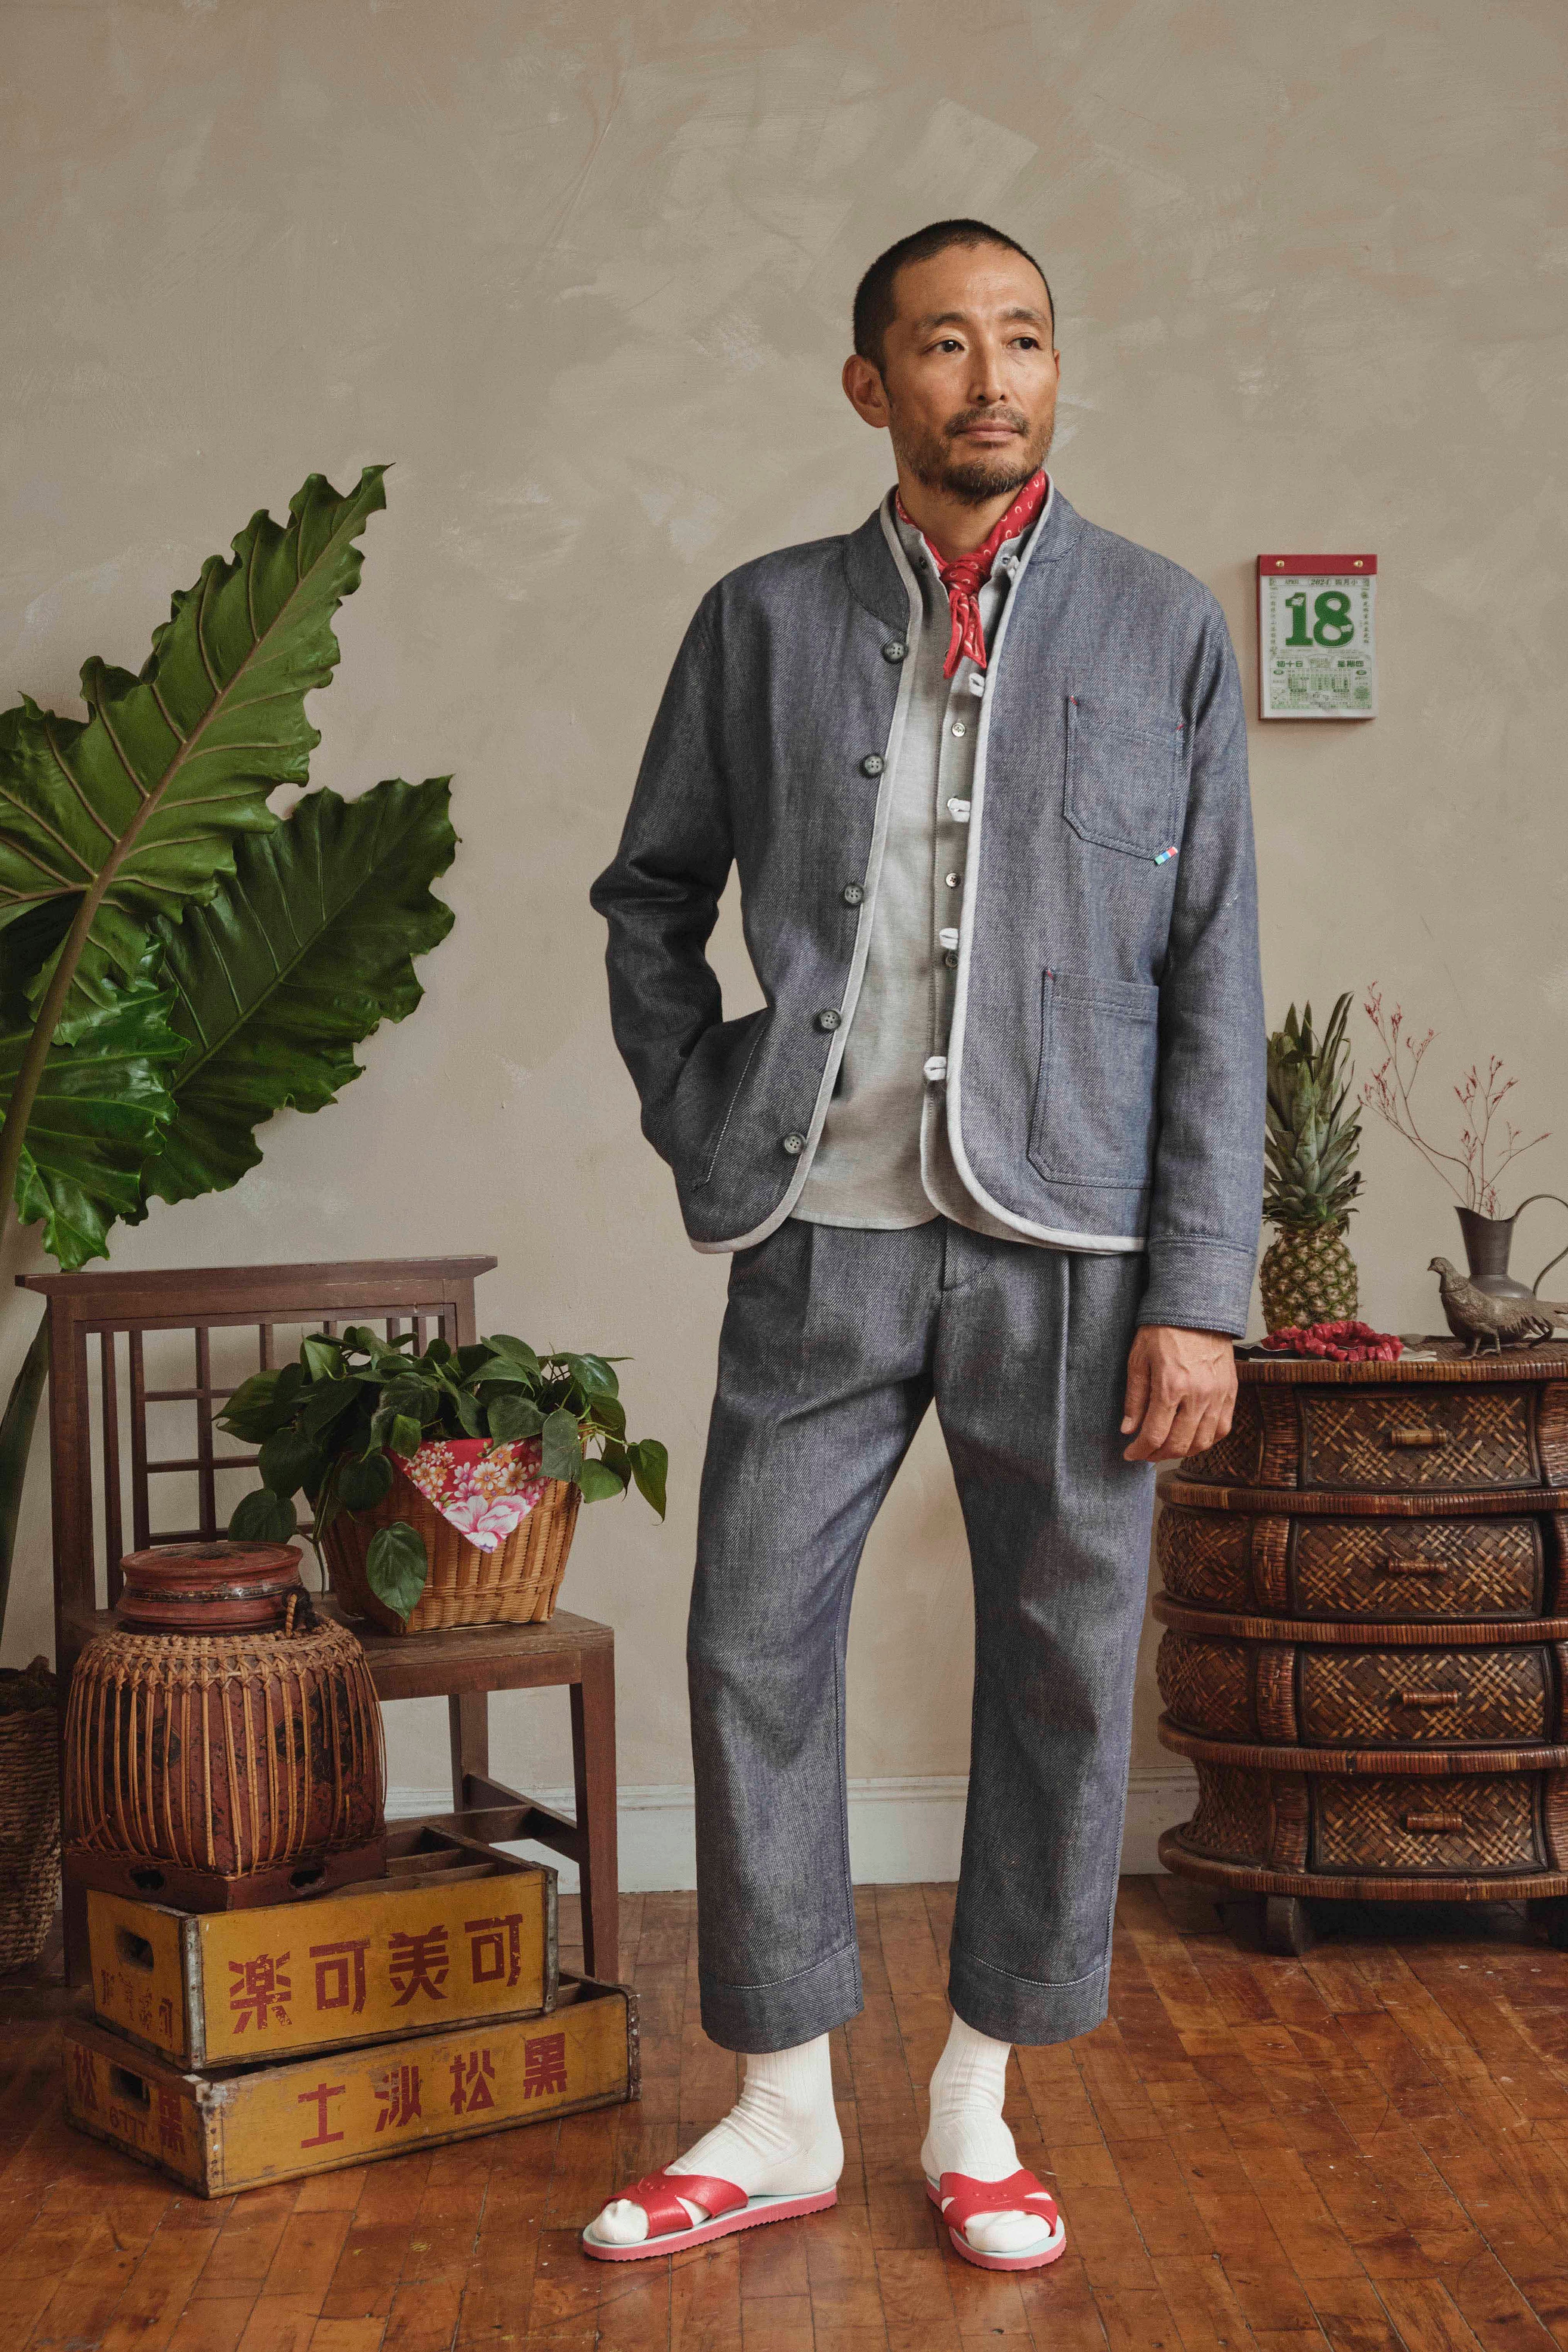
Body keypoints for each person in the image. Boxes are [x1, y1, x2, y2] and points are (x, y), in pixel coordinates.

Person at [584, 218, 1263, 2271]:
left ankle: (979, 2100)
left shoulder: (1162, 630)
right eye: (947, 346)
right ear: (871, 385)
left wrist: (1201, 1296)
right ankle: (784, 2104)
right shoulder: (762, 622)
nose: (995, 377)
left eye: (1028, 339)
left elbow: (1217, 974)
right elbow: (648, 900)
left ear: (1061, 369)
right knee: (747, 1643)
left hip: (1074, 1251)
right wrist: (711, 1110)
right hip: (823, 1233)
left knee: (1063, 1672)